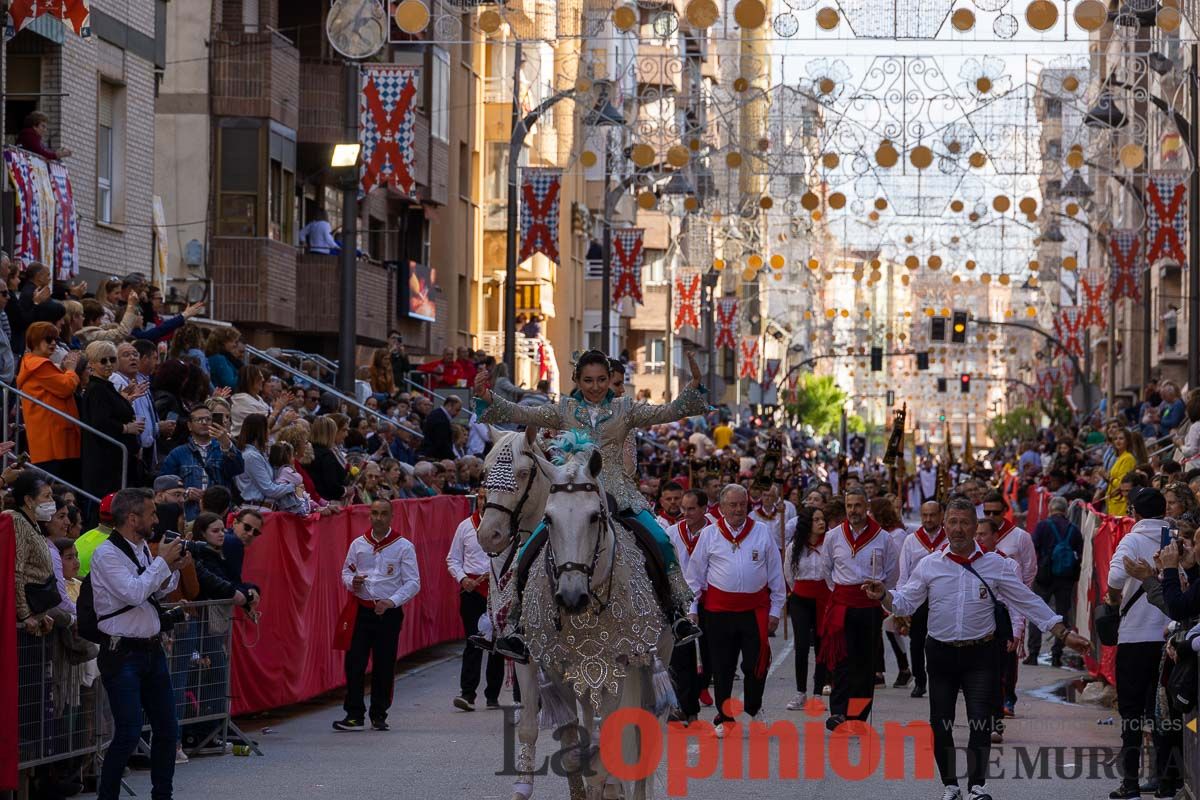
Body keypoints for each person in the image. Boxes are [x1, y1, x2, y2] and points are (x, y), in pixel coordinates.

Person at [475, 349, 708, 661]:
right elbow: (523, 414)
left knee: (662, 540)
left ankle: (676, 612)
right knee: (528, 549)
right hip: (574, 494)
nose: (596, 386)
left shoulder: (626, 408)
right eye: (588, 380)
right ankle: (518, 623)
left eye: (601, 379)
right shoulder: (564, 409)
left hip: (618, 492)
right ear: (577, 380)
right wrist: (487, 397)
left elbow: (667, 411)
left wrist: (693, 384)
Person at [863, 497, 1088, 800]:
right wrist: (883, 596)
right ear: (945, 526)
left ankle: (977, 786)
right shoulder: (929, 566)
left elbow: (1027, 600)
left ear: (975, 527)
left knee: (980, 721)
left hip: (981, 655)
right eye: (952, 522)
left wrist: (1061, 632)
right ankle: (951, 786)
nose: (958, 529)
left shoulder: (996, 565)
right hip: (940, 653)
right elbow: (905, 602)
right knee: (940, 723)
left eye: (964, 523)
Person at [90, 488, 185, 800]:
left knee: (168, 729)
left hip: (151, 650)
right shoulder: (106, 554)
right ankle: (108, 796)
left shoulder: (142, 547)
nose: (156, 520)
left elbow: (153, 591)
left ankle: (163, 795)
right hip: (122, 654)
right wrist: (161, 563)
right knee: (129, 733)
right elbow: (132, 592)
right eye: (151, 513)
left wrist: (171, 568)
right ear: (132, 518)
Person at [683, 484, 785, 735]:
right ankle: (725, 717)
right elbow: (694, 577)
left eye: (743, 504)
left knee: (756, 664)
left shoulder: (761, 532)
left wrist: (776, 610)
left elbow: (776, 574)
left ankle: (753, 706)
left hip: (754, 610)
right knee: (722, 667)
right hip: (719, 611)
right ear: (721, 508)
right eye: (733, 505)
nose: (739, 509)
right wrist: (692, 607)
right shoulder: (709, 535)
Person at [1104, 487, 1175, 799]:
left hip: (1135, 636)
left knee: (1132, 713)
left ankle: (1130, 783)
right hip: (1170, 635)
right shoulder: (1177, 535)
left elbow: (1115, 579)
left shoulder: (1131, 539)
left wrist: (1114, 598)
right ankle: (1167, 782)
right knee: (1166, 713)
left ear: (1134, 512)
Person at [334, 499, 421, 731]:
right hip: (360, 610)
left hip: (388, 613)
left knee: (384, 664)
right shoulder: (358, 545)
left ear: (391, 517)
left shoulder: (403, 546)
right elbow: (345, 571)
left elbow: (413, 582)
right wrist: (353, 582)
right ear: (369, 515)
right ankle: (354, 714)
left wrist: (391, 601)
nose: (378, 518)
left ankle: (379, 713)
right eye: (374, 513)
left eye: (383, 514)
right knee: (354, 663)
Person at [818, 486, 898, 730]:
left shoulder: (883, 538)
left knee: (865, 662)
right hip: (842, 603)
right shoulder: (833, 536)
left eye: (858, 505)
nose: (853, 511)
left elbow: (892, 573)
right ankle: (839, 712)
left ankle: (858, 715)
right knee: (841, 660)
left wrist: (880, 594)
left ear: (867, 507)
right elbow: (826, 570)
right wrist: (841, 592)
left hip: (868, 604)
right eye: (849, 506)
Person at [446, 490, 503, 711]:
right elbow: (452, 558)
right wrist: (462, 579)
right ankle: (467, 694)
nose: (484, 502)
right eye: (480, 497)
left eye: (487, 497)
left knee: (496, 644)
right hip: (472, 591)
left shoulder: (503, 526)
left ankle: (492, 696)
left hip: (496, 590)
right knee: (473, 641)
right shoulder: (465, 526)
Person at [665, 488, 712, 723]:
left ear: (705, 508)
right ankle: (687, 707)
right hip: (681, 601)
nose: (686, 513)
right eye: (684, 508)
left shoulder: (715, 532)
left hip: (711, 600)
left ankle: (703, 689)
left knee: (709, 655)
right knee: (681, 657)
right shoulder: (672, 533)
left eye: (692, 509)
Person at [18, 321, 81, 485]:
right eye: (48, 339)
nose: (53, 343)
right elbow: (66, 387)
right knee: (57, 489)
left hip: (52, 437)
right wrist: (71, 369)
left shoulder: (35, 362)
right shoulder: (38, 364)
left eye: (55, 339)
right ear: (35, 341)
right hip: (52, 440)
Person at [79, 340, 142, 500]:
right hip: (105, 463)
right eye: (103, 360)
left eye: (112, 360)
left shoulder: (106, 386)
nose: (108, 364)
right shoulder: (97, 389)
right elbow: (100, 423)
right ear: (92, 364)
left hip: (115, 461)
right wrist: (127, 428)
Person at [159, 404, 245, 520]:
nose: (204, 422)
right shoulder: (178, 453)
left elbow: (238, 469)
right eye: (199, 420)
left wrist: (226, 444)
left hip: (220, 516)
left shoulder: (225, 447)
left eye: (208, 419)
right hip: (189, 515)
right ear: (189, 425)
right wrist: (185, 493)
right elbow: (163, 486)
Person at [783, 505, 829, 710]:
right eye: (816, 519)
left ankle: (818, 693)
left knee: (822, 646)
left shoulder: (829, 544)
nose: (821, 523)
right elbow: (789, 575)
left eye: (822, 519)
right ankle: (800, 692)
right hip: (801, 598)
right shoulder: (795, 547)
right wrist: (797, 592)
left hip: (823, 599)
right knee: (801, 645)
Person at [1027, 495, 1083, 666]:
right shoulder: (1074, 529)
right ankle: (1057, 653)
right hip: (1065, 578)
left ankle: (1034, 653)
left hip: (1044, 576)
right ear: (1066, 510)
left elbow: (1032, 546)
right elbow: (1080, 552)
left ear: (1050, 509)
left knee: (1037, 612)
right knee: (1062, 614)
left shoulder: (1043, 526)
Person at [235, 413, 295, 509]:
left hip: (263, 509)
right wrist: (292, 486)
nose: (269, 431)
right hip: (256, 509)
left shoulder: (259, 454)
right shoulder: (251, 456)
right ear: (258, 431)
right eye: (267, 428)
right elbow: (269, 489)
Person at [420, 396, 463, 461]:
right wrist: (453, 458)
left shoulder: (437, 414)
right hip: (434, 456)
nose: (458, 414)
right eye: (457, 410)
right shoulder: (441, 419)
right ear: (449, 406)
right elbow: (442, 443)